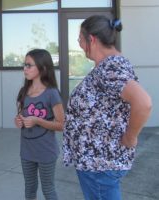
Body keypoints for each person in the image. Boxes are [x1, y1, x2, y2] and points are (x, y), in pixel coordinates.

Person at [62, 15, 152, 200]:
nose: (79, 44)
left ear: (92, 39)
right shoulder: (110, 66)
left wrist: (130, 137)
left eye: (80, 39)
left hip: (100, 165)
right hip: (97, 162)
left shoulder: (110, 67)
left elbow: (144, 103)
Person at [14, 49, 65, 200]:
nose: (25, 68)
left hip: (46, 152)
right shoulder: (24, 91)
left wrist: (38, 121)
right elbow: (21, 116)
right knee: (29, 188)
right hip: (27, 151)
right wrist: (18, 120)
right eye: (24, 65)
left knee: (48, 190)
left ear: (42, 68)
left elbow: (62, 125)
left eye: (29, 65)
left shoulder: (52, 93)